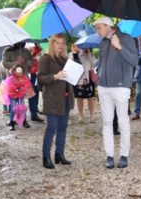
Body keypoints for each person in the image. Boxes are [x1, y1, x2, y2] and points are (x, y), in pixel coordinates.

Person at [94, 16, 138, 169]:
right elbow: (101, 62)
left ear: (108, 26)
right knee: (107, 123)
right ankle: (110, 156)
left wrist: (119, 47)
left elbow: (134, 61)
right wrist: (97, 72)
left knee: (123, 121)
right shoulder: (103, 42)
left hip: (121, 86)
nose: (97, 31)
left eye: (99, 28)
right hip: (103, 87)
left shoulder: (126, 38)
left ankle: (124, 155)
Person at [38, 34, 74, 169]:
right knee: (51, 128)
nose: (60, 45)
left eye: (62, 43)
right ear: (52, 44)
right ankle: (46, 157)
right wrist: (55, 76)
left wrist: (75, 56)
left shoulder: (66, 59)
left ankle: (59, 154)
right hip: (52, 98)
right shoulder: (45, 58)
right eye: (57, 43)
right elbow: (40, 78)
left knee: (63, 127)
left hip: (66, 97)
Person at [2, 64, 33, 130]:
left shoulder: (24, 77)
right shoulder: (11, 78)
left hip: (21, 94)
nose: (20, 73)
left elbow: (27, 85)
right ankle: (12, 123)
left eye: (21, 71)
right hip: (12, 95)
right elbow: (9, 87)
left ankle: (24, 121)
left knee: (22, 108)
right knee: (13, 108)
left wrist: (22, 89)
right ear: (14, 71)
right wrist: (16, 89)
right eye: (18, 71)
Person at [70, 44, 96, 122]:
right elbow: (70, 64)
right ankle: (80, 115)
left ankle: (92, 115)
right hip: (78, 79)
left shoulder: (89, 54)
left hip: (88, 79)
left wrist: (89, 53)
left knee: (90, 98)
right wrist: (75, 54)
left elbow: (94, 63)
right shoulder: (73, 54)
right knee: (79, 98)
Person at [28, 43, 44, 123]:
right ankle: (33, 114)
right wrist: (33, 57)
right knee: (32, 94)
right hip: (32, 74)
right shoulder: (32, 49)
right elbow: (29, 62)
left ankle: (35, 110)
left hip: (37, 73)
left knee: (36, 92)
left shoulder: (40, 50)